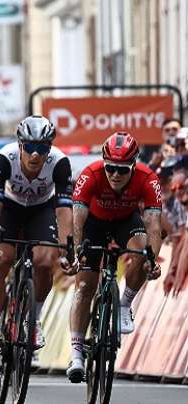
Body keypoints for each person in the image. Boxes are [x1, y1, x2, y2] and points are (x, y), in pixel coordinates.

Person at [0, 116, 73, 370]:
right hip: (9, 208)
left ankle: (34, 321)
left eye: (42, 148)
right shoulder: (3, 159)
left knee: (45, 261)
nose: (35, 154)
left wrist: (67, 250)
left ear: (49, 148)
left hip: (41, 210)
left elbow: (65, 212)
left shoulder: (60, 162)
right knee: (2, 261)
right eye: (29, 147)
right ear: (19, 145)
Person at [66, 132, 162, 383]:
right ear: (103, 163)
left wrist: (152, 259)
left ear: (134, 166)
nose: (115, 175)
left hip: (125, 222)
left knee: (142, 252)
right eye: (110, 168)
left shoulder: (148, 178)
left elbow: (153, 225)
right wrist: (77, 253)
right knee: (85, 285)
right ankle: (76, 353)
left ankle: (124, 303)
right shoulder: (90, 174)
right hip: (93, 223)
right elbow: (77, 219)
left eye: (122, 170)